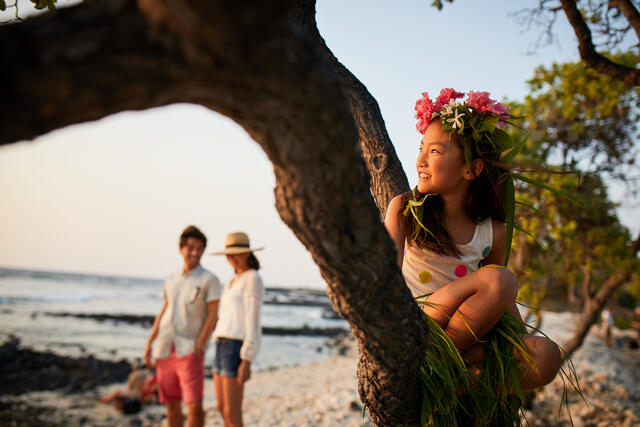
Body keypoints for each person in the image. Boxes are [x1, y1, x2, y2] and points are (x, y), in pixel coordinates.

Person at [384, 89, 562, 424]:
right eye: (421, 148)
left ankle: (445, 379)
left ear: (471, 169)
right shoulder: (405, 209)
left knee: (547, 356)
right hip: (419, 322)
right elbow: (386, 282)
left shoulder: (491, 230)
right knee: (499, 279)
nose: (420, 160)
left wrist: (521, 340)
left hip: (467, 332)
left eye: (434, 151)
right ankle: (437, 361)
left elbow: (502, 301)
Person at [144, 225, 221, 427]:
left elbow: (213, 315)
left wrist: (200, 343)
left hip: (189, 349)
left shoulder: (209, 280)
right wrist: (150, 342)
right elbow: (164, 311)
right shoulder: (170, 279)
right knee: (171, 404)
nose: (195, 252)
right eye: (191, 247)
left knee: (194, 405)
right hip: (164, 348)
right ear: (181, 248)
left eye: (200, 249)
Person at [209, 232, 265, 427]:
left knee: (232, 413)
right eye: (228, 254)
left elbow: (253, 320)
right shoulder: (233, 281)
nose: (232, 258)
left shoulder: (252, 278)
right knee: (222, 409)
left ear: (248, 253)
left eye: (237, 253)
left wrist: (247, 359)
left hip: (234, 347)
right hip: (220, 344)